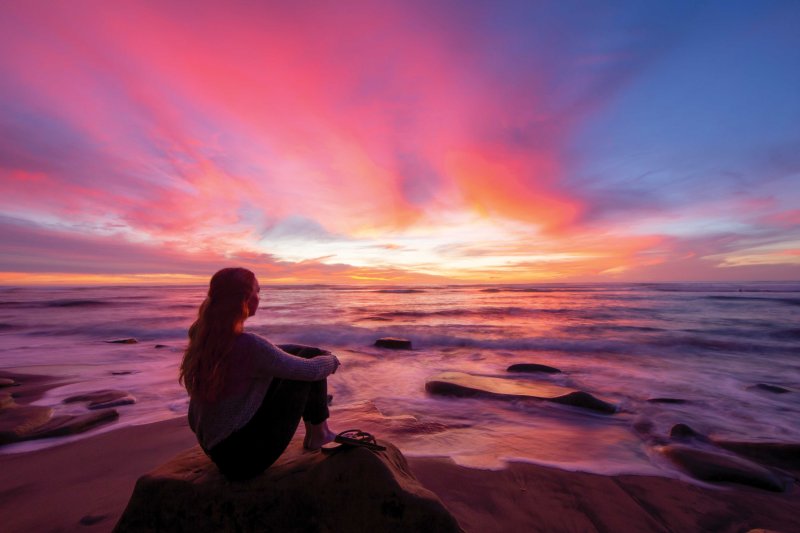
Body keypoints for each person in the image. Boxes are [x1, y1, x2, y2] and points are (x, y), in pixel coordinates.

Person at [180, 267, 340, 481]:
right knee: (308, 367)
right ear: (246, 298)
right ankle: (319, 435)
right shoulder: (249, 347)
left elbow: (269, 353)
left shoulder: (204, 337)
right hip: (246, 458)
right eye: (258, 292)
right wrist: (332, 359)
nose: (259, 297)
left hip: (217, 449)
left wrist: (302, 351)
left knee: (305, 355)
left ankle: (318, 433)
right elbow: (311, 371)